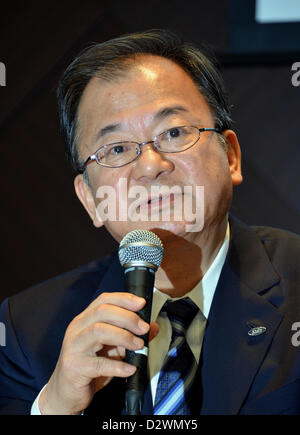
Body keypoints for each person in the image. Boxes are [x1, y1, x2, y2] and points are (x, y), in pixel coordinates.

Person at [0, 29, 299, 416]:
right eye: (118, 148)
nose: (150, 166)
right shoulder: (25, 333)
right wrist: (56, 405)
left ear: (231, 158)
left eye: (173, 133)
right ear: (90, 199)